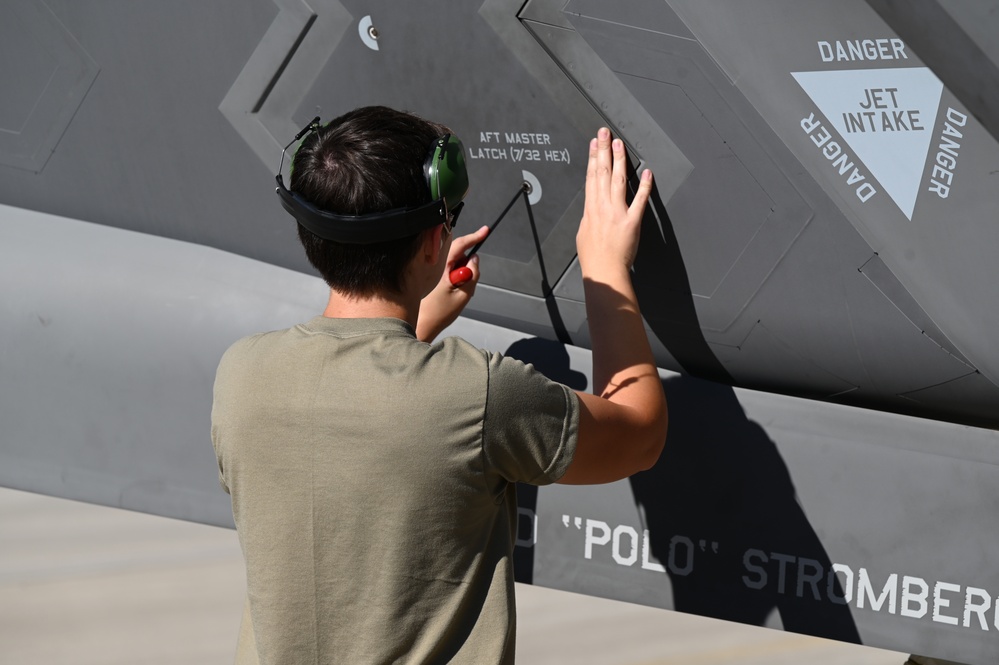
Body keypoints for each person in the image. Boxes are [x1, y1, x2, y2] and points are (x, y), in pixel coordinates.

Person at [211, 106, 667, 664]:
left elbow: (358, 437)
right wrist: (605, 270)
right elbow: (641, 433)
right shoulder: (476, 393)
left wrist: (417, 320)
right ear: (433, 243)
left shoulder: (242, 375)